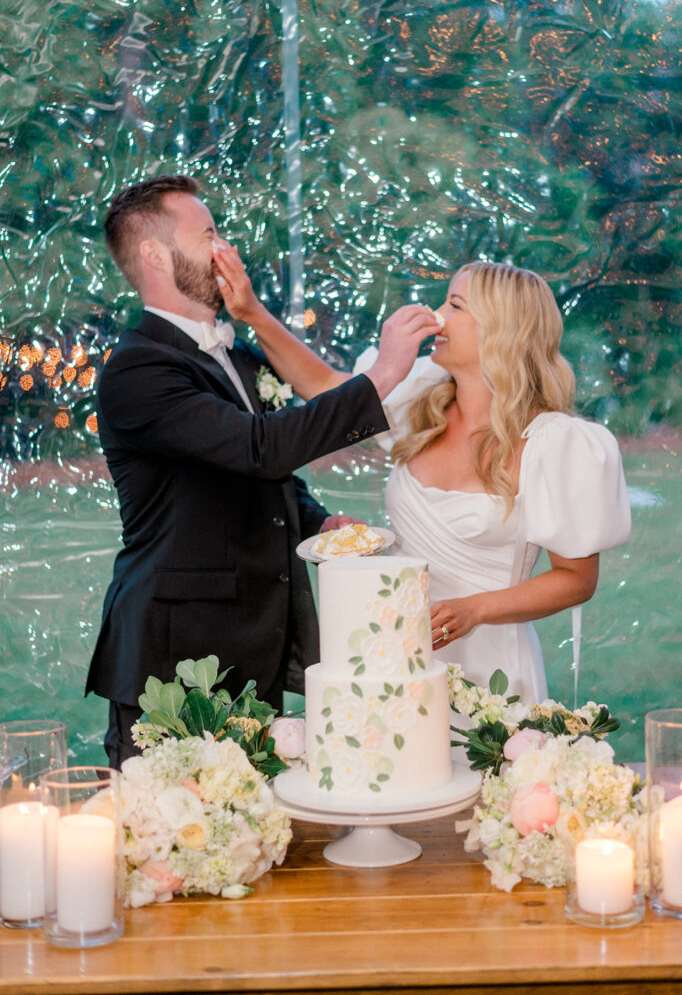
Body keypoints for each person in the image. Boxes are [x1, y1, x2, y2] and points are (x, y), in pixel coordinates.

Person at [86, 174, 437, 768]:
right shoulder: (138, 370)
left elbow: (265, 479)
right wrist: (381, 378)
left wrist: (319, 524)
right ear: (153, 254)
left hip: (255, 648)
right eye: (209, 236)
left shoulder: (238, 359)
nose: (228, 252)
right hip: (176, 665)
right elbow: (260, 448)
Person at [213, 254, 631, 705]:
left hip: (489, 673)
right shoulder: (420, 400)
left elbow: (575, 579)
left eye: (454, 305)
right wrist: (251, 311)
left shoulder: (554, 443)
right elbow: (325, 387)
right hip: (395, 657)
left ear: (502, 328)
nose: (437, 316)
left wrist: (475, 610)